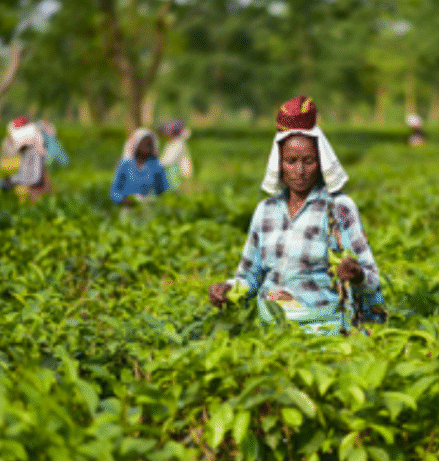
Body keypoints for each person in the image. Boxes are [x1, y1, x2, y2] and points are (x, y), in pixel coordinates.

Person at [208, 95, 386, 335]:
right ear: (279, 163)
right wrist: (228, 288)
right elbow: (250, 276)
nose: (299, 171)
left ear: (320, 162)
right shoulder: (265, 210)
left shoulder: (338, 208)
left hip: (325, 328)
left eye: (308, 161)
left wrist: (357, 275)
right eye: (291, 161)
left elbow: (372, 279)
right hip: (270, 329)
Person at [0, 122, 53, 202]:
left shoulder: (35, 154)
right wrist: (2, 182)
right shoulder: (27, 152)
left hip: (35, 194)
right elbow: (23, 175)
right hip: (28, 188)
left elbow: (35, 179)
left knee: (20, 190)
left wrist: (13, 180)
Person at [110, 128, 169, 206]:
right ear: (136, 144)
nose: (147, 146)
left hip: (150, 207)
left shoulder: (156, 166)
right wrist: (123, 199)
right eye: (144, 143)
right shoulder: (124, 165)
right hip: (129, 207)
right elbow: (115, 191)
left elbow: (164, 190)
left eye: (150, 143)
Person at [157, 119, 193, 192]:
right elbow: (165, 157)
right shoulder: (171, 143)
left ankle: (173, 189)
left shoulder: (178, 144)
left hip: (179, 172)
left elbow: (170, 160)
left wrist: (158, 164)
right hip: (172, 168)